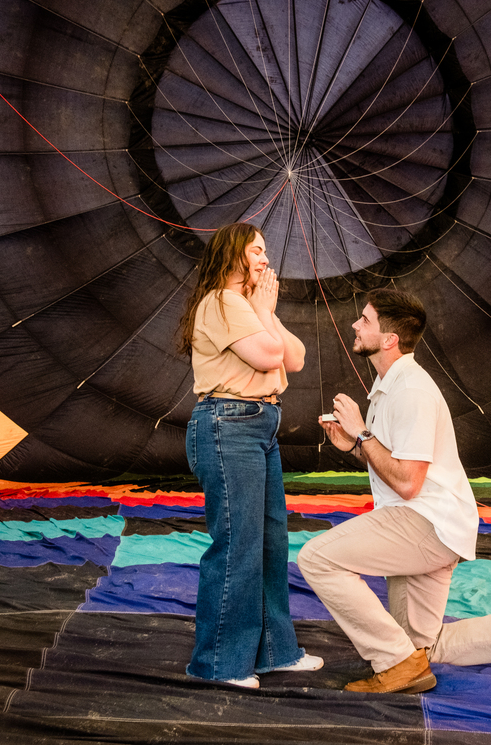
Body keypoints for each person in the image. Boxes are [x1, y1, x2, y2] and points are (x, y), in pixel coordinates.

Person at [297, 288, 491, 693]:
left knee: (316, 558)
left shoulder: (412, 390)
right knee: (421, 647)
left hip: (425, 521)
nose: (354, 325)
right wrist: (354, 445)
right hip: (433, 525)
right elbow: (393, 462)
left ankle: (395, 664)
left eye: (364, 320)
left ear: (389, 339)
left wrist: (362, 432)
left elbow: (408, 483)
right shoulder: (389, 386)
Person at [177, 222, 322, 688]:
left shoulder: (249, 305)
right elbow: (266, 356)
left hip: (259, 425)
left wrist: (265, 312)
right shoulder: (221, 301)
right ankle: (220, 664)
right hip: (229, 425)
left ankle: (275, 652)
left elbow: (294, 358)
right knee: (238, 546)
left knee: (270, 544)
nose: (265, 258)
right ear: (234, 253)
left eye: (264, 250)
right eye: (256, 250)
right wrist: (262, 311)